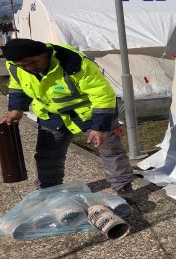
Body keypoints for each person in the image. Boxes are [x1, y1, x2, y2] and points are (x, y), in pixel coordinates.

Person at [0, 39, 134, 198]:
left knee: (111, 151)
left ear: (45, 53)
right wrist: (16, 109)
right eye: (23, 65)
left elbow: (102, 95)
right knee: (47, 156)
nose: (29, 68)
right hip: (52, 115)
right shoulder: (15, 66)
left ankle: (123, 189)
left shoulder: (74, 63)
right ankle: (49, 193)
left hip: (89, 114)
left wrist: (100, 127)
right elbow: (18, 85)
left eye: (33, 62)